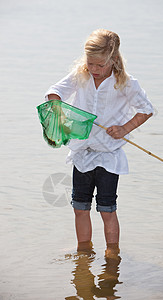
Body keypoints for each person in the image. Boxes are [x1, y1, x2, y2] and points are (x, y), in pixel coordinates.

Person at [45, 29, 154, 256]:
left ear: (113, 59)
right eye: (90, 63)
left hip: (108, 154)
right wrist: (57, 109)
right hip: (82, 152)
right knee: (79, 207)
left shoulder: (125, 83)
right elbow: (55, 91)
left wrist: (125, 128)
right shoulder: (80, 75)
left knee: (107, 208)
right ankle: (84, 249)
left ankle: (112, 252)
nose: (93, 69)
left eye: (99, 65)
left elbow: (146, 110)